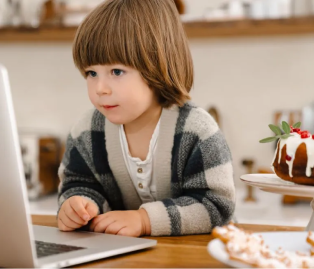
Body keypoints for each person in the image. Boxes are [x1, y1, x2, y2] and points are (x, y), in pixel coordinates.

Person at [57, 0, 235, 237]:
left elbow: (216, 207)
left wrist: (144, 220)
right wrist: (78, 204)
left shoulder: (197, 130)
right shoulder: (86, 131)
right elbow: (78, 184)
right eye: (91, 73)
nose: (100, 88)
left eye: (117, 72)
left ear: (156, 67)